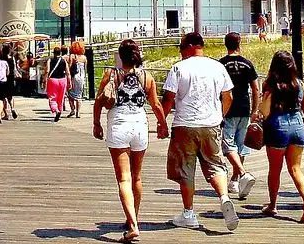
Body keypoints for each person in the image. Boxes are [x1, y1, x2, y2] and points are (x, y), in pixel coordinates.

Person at [162, 32, 238, 232]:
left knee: (186, 170)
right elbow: (228, 96)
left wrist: (161, 122)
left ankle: (188, 214)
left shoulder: (179, 68)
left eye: (181, 47)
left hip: (184, 125)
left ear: (189, 46)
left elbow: (168, 98)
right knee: (215, 165)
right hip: (211, 124)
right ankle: (224, 197)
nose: (180, 52)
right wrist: (220, 116)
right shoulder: (217, 67)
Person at [93, 39, 167, 243]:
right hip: (140, 126)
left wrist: (96, 123)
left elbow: (98, 101)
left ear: (120, 55)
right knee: (137, 177)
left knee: (124, 179)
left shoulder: (111, 74)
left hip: (118, 125)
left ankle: (132, 225)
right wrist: (162, 124)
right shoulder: (147, 76)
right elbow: (155, 104)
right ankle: (133, 218)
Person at [259, 50, 304, 223]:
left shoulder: (270, 85)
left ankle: (272, 205)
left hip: (277, 127)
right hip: (297, 127)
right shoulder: (300, 84)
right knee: (295, 168)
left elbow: (265, 112)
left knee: (274, 170)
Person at [218, 32, 259, 199]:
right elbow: (255, 88)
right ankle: (236, 179)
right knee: (241, 145)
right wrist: (255, 109)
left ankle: (241, 175)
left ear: (225, 44)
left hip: (227, 109)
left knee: (228, 145)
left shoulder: (221, 64)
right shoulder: (247, 64)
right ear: (239, 43)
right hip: (244, 107)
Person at [46, 46, 71, 122]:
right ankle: (60, 110)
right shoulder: (63, 60)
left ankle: (56, 110)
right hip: (62, 80)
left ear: (53, 53)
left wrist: (44, 80)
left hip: (53, 80)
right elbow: (68, 72)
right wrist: (69, 82)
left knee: (52, 97)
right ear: (60, 53)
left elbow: (47, 71)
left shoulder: (50, 60)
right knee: (61, 97)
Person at [67, 40, 88, 118]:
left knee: (70, 93)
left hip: (74, 76)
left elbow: (69, 67)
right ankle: (78, 112)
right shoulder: (84, 57)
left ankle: (72, 109)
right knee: (79, 95)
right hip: (81, 77)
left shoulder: (72, 56)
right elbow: (85, 68)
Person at [1, 45, 18, 120]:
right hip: (11, 78)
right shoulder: (12, 58)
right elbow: (15, 68)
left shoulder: (1, 59)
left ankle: (6, 114)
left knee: (3, 97)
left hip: (3, 78)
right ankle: (12, 108)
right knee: (10, 96)